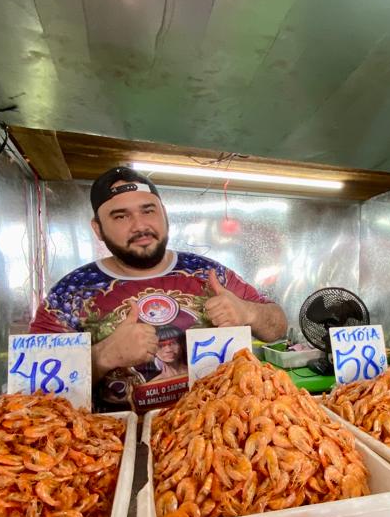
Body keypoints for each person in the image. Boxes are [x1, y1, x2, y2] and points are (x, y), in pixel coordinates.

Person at [29, 166, 287, 410]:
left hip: (216, 433)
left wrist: (249, 313)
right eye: (120, 216)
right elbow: (33, 392)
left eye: (148, 210)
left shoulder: (209, 274)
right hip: (117, 443)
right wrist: (103, 356)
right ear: (98, 228)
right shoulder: (71, 293)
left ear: (164, 213)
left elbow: (277, 328)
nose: (139, 225)